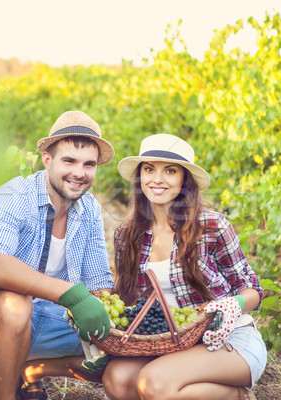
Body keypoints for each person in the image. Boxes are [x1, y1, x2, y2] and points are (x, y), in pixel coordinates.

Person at [0, 111, 116, 400]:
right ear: (47, 159)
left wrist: (109, 316)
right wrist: (71, 294)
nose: (79, 173)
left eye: (89, 164)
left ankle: (31, 371)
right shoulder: (12, 196)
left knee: (122, 350)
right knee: (13, 302)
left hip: (50, 321)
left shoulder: (90, 209)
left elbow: (98, 282)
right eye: (69, 161)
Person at [102, 133, 267, 400]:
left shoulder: (211, 226)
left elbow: (253, 290)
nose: (157, 179)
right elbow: (130, 302)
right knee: (117, 379)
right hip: (171, 343)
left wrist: (233, 304)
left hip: (224, 340)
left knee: (153, 383)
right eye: (149, 169)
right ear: (140, 177)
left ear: (184, 179)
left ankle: (235, 396)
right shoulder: (126, 235)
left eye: (170, 171)